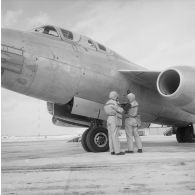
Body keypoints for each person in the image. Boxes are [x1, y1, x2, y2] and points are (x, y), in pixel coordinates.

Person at [104, 91, 125, 155]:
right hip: (114, 119)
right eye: (117, 96)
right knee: (115, 135)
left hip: (108, 119)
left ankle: (112, 151)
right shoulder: (114, 103)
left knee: (110, 136)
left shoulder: (107, 103)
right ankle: (117, 151)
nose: (117, 97)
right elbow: (121, 110)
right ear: (115, 96)